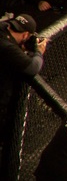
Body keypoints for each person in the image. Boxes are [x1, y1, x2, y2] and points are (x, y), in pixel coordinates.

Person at [0, 14, 47, 148]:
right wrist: (39, 52)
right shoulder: (8, 47)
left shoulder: (2, 27)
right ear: (26, 35)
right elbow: (33, 67)